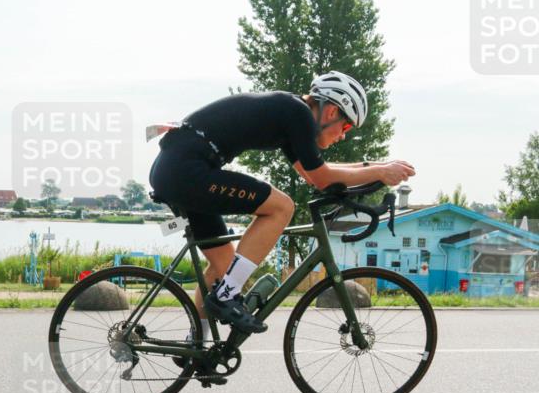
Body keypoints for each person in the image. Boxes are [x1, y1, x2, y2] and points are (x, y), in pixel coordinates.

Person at [149, 71, 415, 334]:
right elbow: (323, 178)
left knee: (223, 265)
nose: (343, 136)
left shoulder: (290, 115)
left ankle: (197, 345)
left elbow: (315, 175)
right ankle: (226, 296)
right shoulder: (297, 114)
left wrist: (377, 168)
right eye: (346, 127)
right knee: (282, 206)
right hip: (186, 172)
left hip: (178, 170)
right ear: (332, 111)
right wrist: (379, 171)